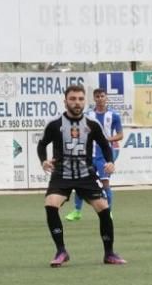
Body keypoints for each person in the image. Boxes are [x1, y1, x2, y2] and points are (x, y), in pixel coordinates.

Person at [37, 84, 125, 267]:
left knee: (103, 207)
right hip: (62, 173)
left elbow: (105, 145)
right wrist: (43, 160)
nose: (77, 103)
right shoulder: (55, 125)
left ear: (84, 101)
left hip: (86, 173)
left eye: (80, 99)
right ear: (65, 101)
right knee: (51, 204)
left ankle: (109, 253)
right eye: (73, 99)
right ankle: (61, 251)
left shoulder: (93, 124)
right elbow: (42, 144)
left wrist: (110, 162)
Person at [66, 88, 123, 221]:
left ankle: (108, 212)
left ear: (106, 98)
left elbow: (120, 135)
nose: (100, 98)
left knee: (105, 183)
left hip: (104, 155)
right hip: (88, 155)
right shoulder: (88, 115)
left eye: (102, 96)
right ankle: (77, 212)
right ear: (94, 98)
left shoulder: (114, 115)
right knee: (80, 183)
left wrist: (105, 140)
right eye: (97, 96)